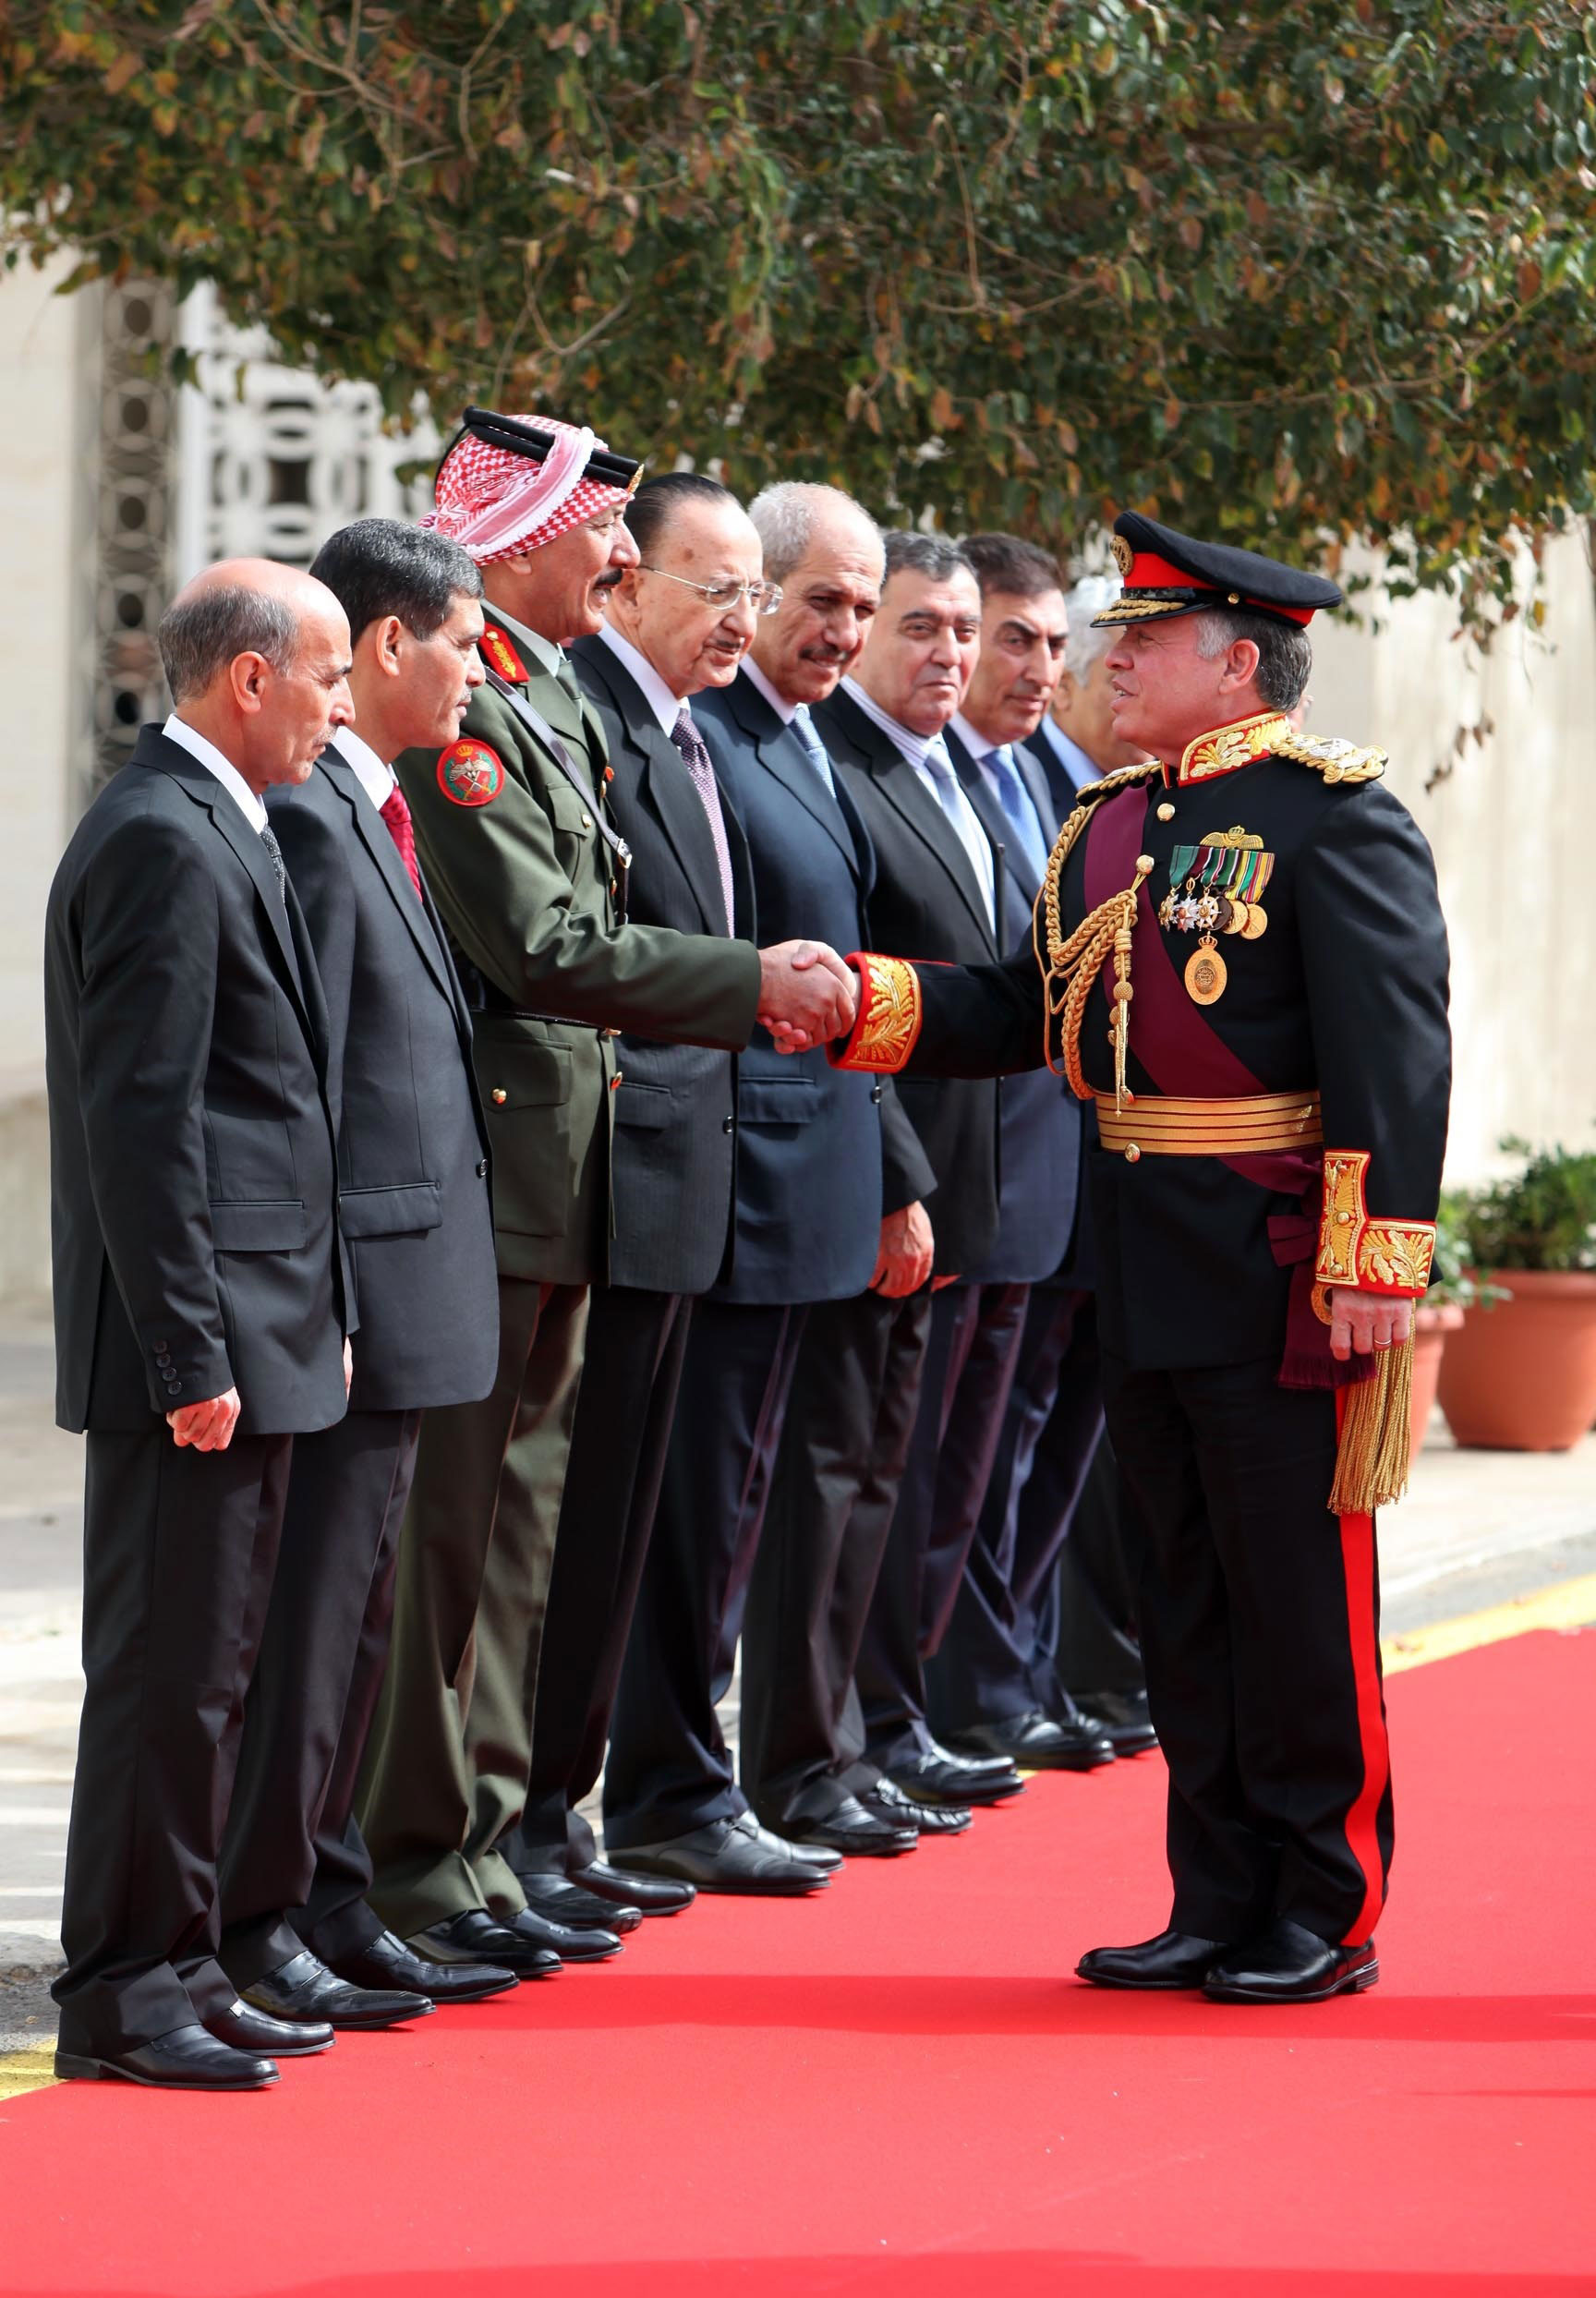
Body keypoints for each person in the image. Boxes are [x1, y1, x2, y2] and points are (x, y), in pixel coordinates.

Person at [824, 513, 1451, 2003]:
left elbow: (1396, 1053)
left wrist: (1374, 1265)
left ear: (1238, 663)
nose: (1112, 661)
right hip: (1143, 1257)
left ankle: (1323, 1903)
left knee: (1296, 1599)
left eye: (1143, 641)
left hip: (1285, 1263)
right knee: (1179, 1591)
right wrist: (858, 1004)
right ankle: (1216, 1894)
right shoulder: (1110, 821)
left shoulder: (1332, 816)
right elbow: (1031, 1013)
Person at [355, 408, 856, 1976]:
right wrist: (752, 982)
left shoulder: (533, 696)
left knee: (524, 1531)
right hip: (509, 1169)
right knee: (455, 1536)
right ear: (518, 537)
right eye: (606, 531)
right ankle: (417, 1858)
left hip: (566, 1170)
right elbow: (547, 947)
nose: (627, 559)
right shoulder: (469, 716)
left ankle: (492, 1838)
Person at [45, 561, 356, 2088]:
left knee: (212, 1674)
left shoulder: (216, 821)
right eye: (329, 675)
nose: (342, 704)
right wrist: (190, 1352)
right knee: (168, 1671)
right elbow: (143, 1122)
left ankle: (177, 1956)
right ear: (250, 679)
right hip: (201, 1343)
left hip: (261, 1323)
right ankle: (119, 1984)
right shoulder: (164, 837)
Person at [603, 483, 938, 1881]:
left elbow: (847, 968)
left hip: (818, 1157)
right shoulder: (711, 738)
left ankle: (721, 1778)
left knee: (747, 1500)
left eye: (856, 610)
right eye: (814, 600)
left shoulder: (781, 740)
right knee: (699, 1511)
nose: (828, 632)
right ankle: (675, 1792)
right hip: (731, 1168)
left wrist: (896, 1167)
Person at [216, 520, 517, 2021]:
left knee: (369, 1620)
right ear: (386, 647)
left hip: (418, 1276)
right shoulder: (314, 820)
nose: (483, 669)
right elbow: (309, 1088)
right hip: (360, 1288)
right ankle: (266, 1914)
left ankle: (327, 1893)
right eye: (466, 639)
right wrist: (325, 1294)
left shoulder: (374, 803)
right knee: (317, 1621)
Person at [509, 469, 816, 1917]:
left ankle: (560, 1817)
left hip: (685, 1175)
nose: (741, 621)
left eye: (755, 591)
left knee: (627, 1521)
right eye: (719, 588)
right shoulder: (584, 716)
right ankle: (524, 1821)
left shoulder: (684, 733)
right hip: (609, 1173)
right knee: (558, 1528)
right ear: (627, 588)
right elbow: (581, 946)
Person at [809, 532, 1024, 1819]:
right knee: (850, 1486)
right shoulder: (841, 769)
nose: (949, 652)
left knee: (917, 1475)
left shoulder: (964, 779)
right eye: (920, 627)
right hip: (884, 1181)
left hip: (972, 1181)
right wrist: (895, 1175)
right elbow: (847, 997)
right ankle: (844, 1736)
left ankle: (892, 1718)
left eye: (962, 629)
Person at [925, 535, 1113, 1775]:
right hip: (963, 1168)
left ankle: (1015, 1671)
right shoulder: (950, 770)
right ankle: (976, 1688)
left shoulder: (1056, 786)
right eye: (1013, 637)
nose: (1038, 667)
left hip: (1064, 1163)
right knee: (959, 1464)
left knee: (1036, 1443)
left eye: (1055, 644)